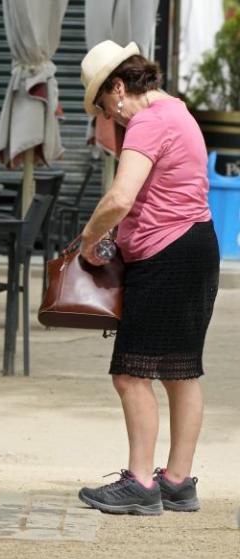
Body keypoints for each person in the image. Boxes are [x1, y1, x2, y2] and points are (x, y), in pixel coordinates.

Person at [76, 40, 219, 516]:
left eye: (102, 106)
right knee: (181, 371)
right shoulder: (177, 110)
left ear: (118, 88)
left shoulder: (148, 121)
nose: (107, 117)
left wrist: (88, 240)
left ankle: (140, 483)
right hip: (196, 246)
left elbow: (119, 198)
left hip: (165, 254)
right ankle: (178, 482)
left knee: (130, 373)